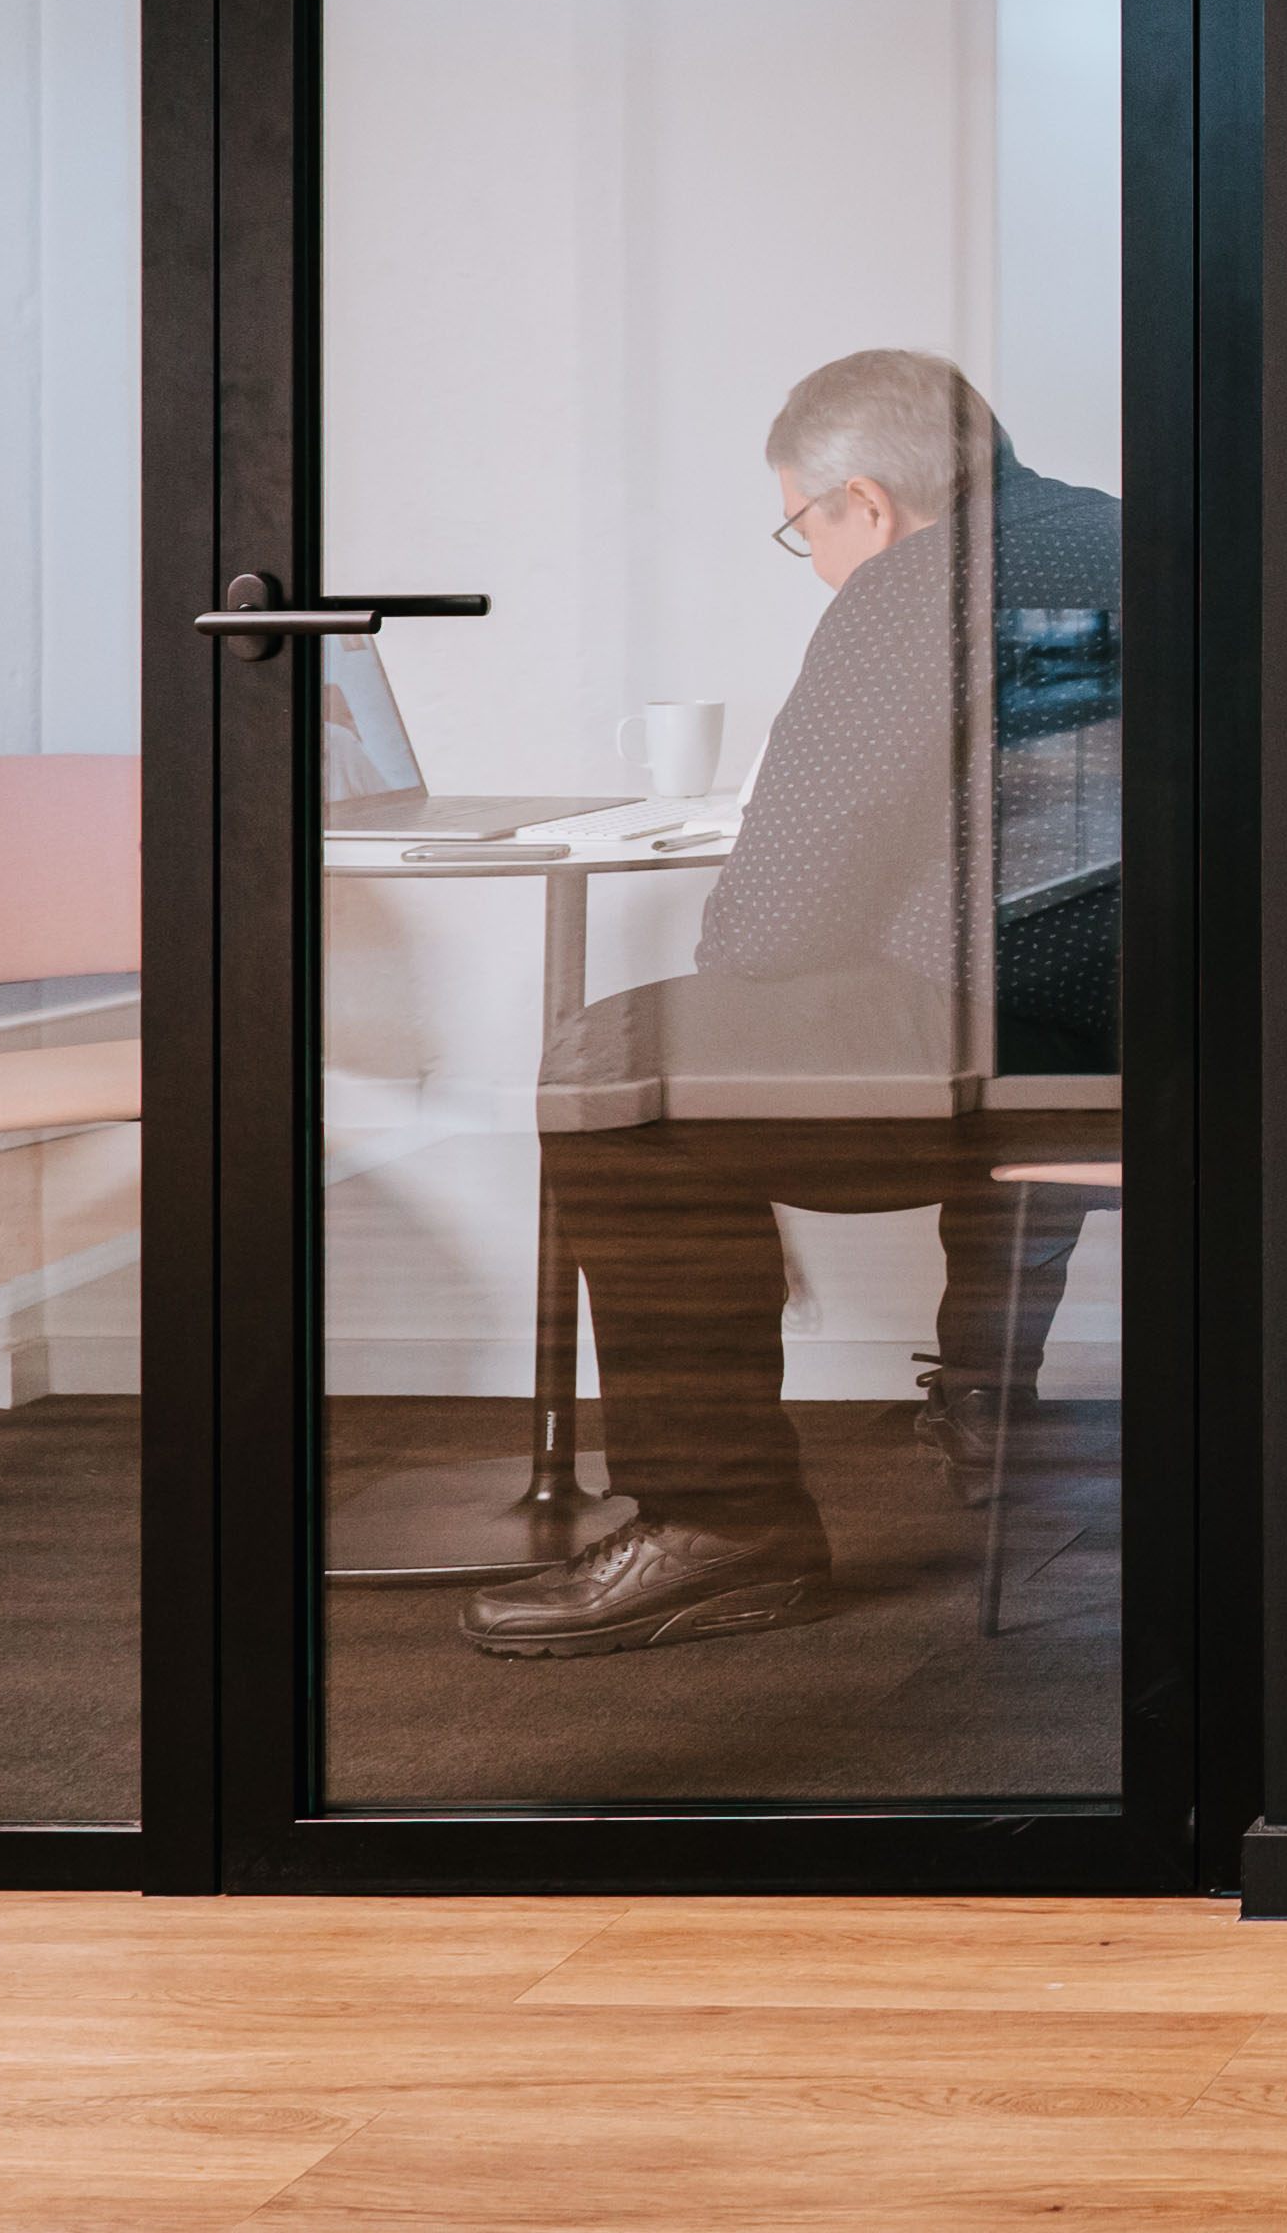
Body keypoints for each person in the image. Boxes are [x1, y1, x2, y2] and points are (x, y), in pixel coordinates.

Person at [457, 350, 1124, 1658]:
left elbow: (773, 913)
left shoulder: (916, 587)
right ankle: (990, 1400)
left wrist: (758, 1037)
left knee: (619, 1066)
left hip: (1021, 1040)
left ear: (865, 506)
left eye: (803, 530)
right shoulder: (1145, 538)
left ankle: (723, 1529)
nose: (818, 562)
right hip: (1195, 1035)